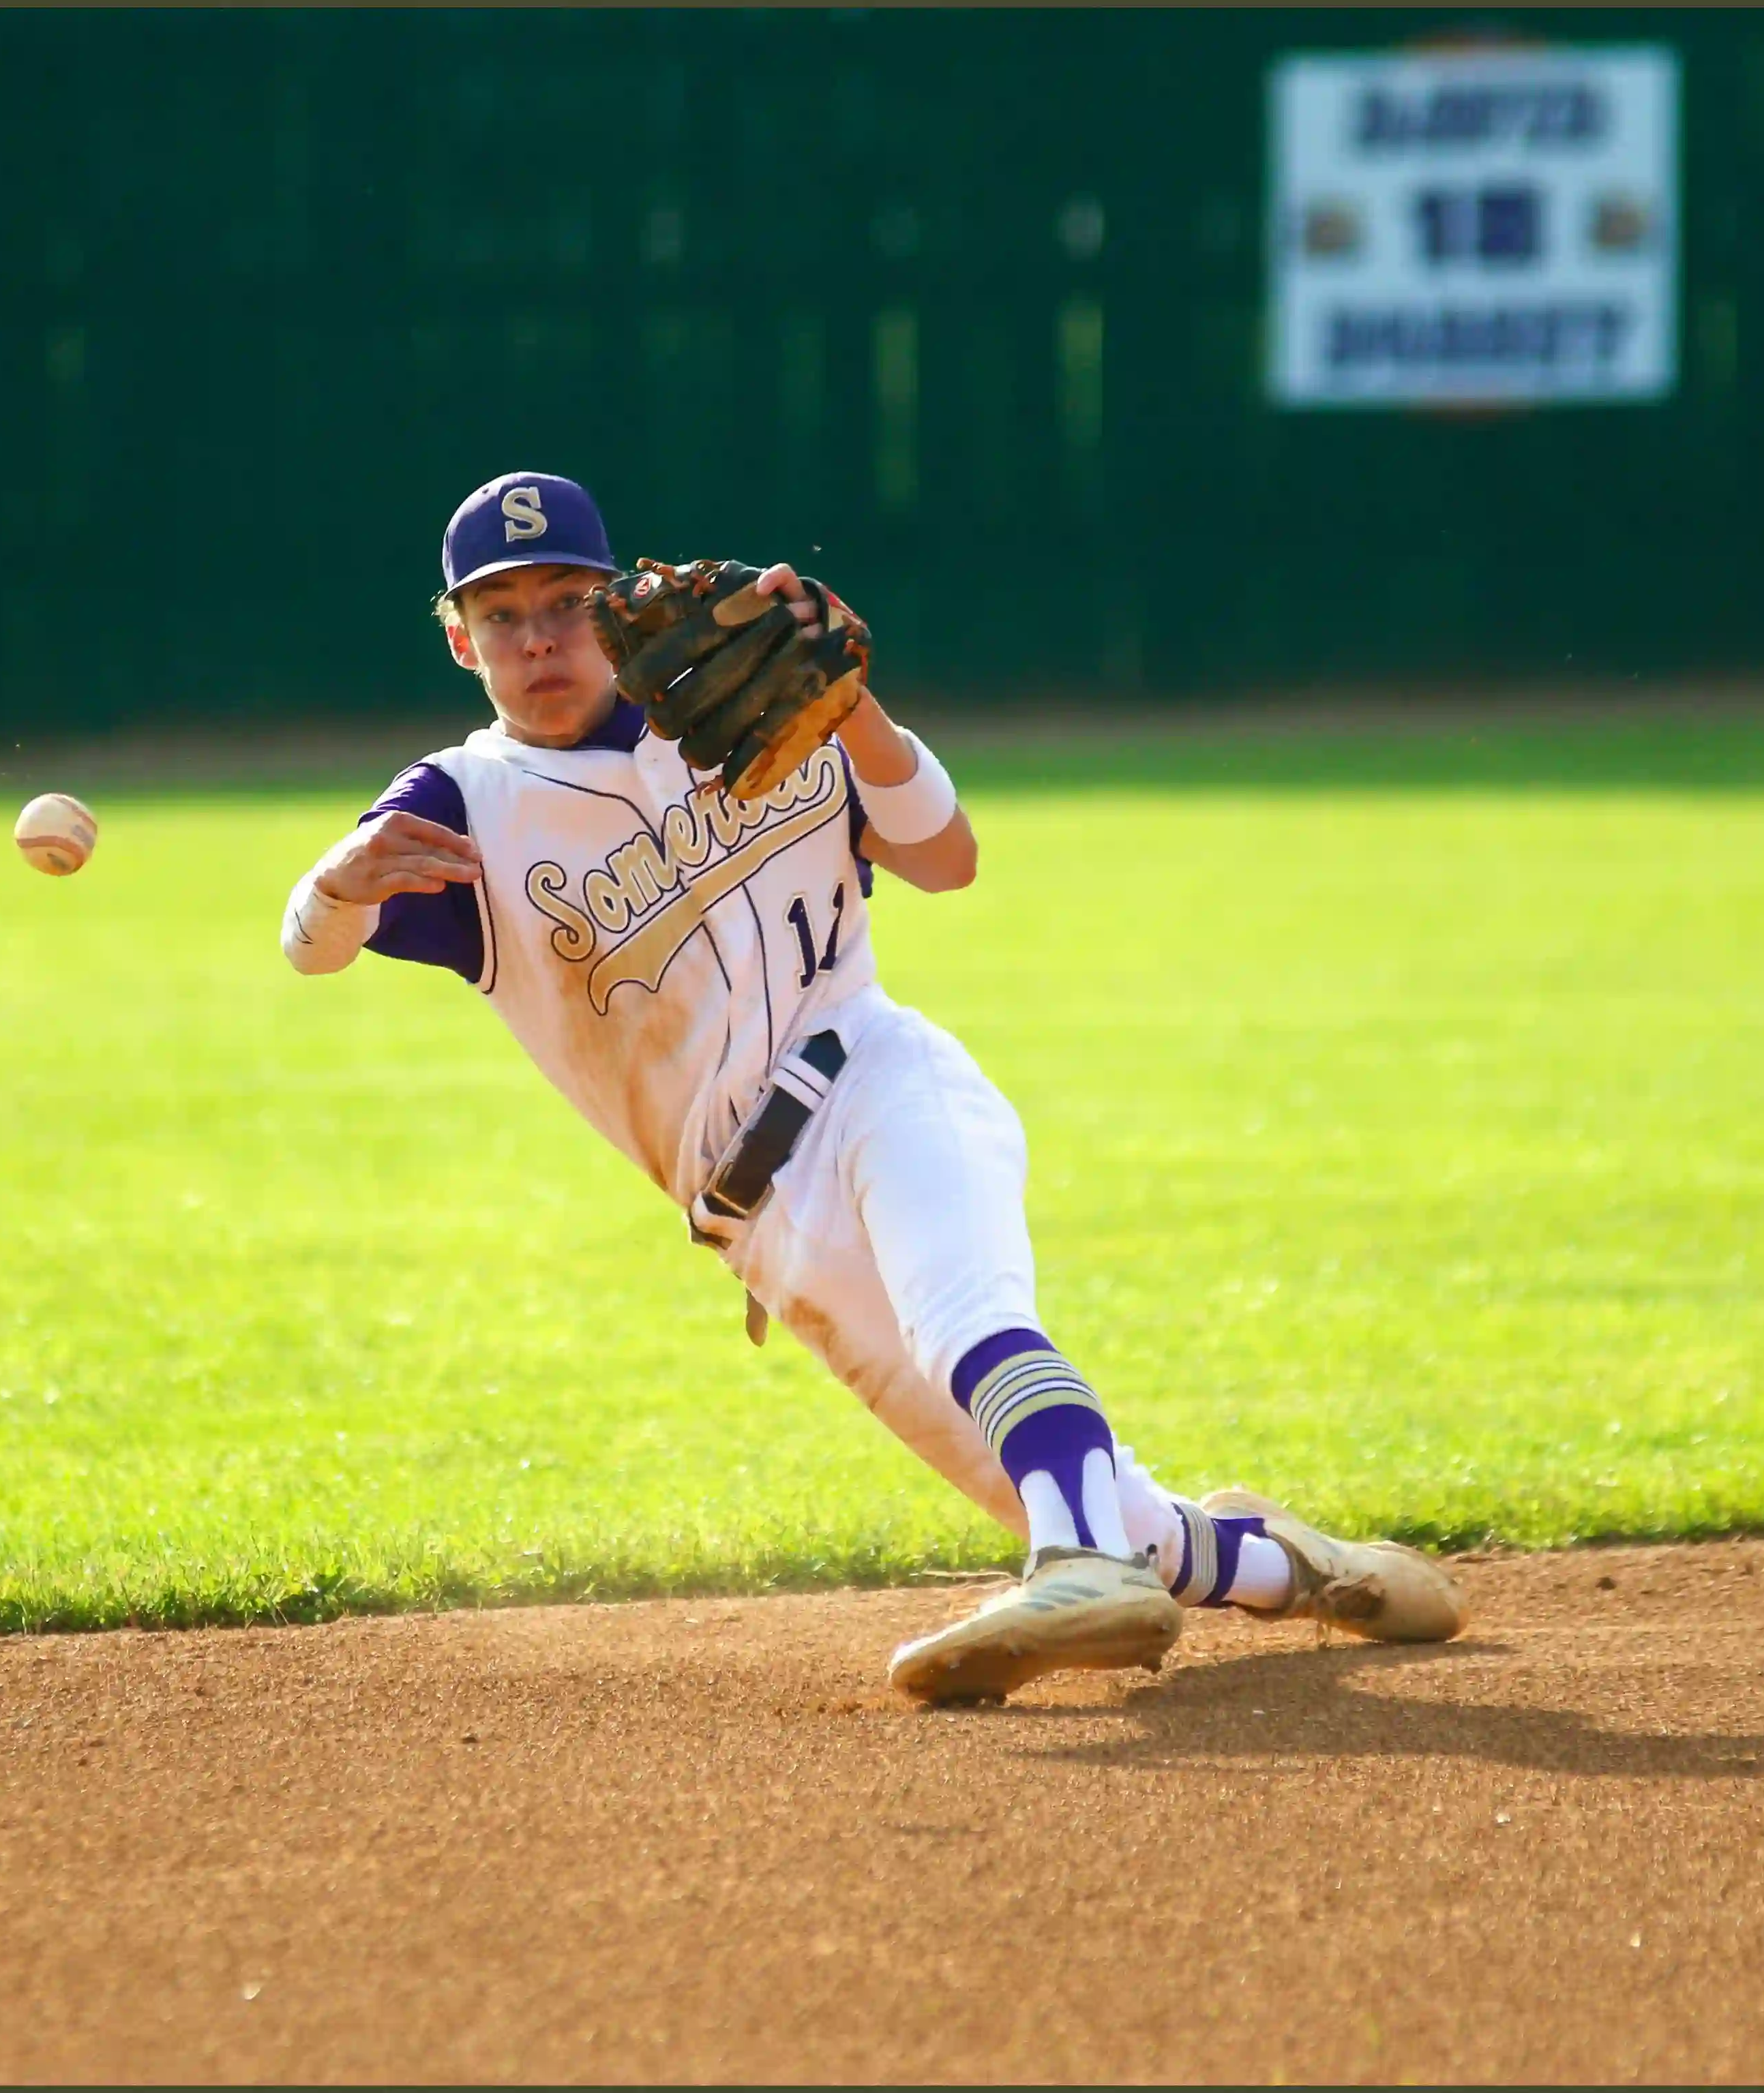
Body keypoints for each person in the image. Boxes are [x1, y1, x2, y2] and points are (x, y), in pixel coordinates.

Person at [277, 470, 1466, 1703]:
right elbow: (309, 946)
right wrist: (343, 880)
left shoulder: (745, 705)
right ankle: (1297, 1566)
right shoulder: (461, 805)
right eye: (503, 612)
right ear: (461, 637)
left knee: (971, 1325)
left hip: (877, 1078)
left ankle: (1073, 1561)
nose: (539, 638)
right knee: (1114, 1514)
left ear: (618, 599)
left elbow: (947, 858)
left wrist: (858, 713)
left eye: (567, 600)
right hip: (764, 1231)